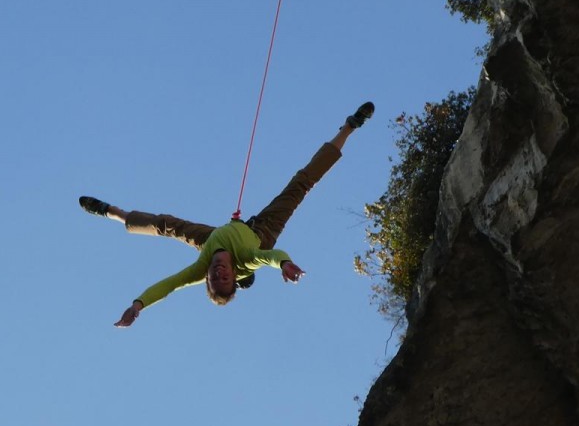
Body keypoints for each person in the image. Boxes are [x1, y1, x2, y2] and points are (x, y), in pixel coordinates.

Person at [79, 102, 374, 327]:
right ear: (234, 275)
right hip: (262, 234)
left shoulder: (201, 267)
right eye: (226, 278)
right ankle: (349, 127)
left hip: (211, 239)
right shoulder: (247, 257)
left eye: (214, 279)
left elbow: (168, 286)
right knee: (301, 185)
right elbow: (269, 257)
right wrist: (284, 263)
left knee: (166, 225)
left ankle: (111, 212)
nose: (219, 273)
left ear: (206, 279)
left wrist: (137, 306)